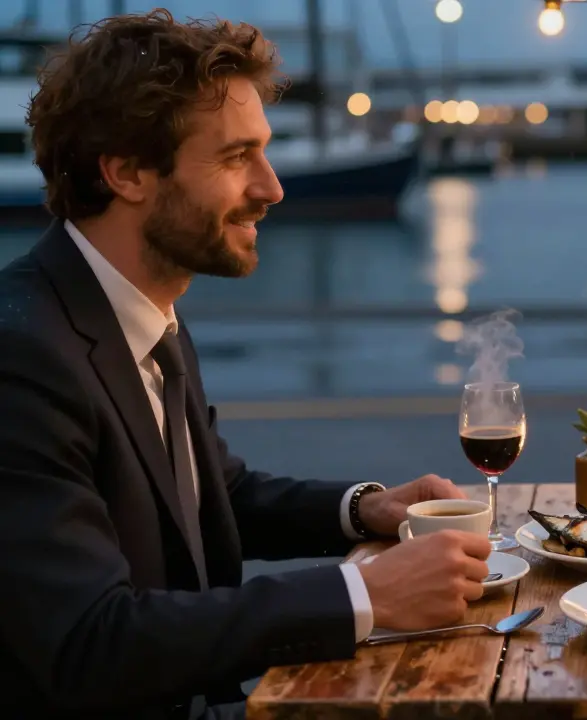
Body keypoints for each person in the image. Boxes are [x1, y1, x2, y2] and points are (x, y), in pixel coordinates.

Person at [0, 10, 492, 719]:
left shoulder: (141, 309)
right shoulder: (22, 355)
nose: (272, 187)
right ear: (128, 172)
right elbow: (89, 641)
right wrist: (365, 595)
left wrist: (363, 510)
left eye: (264, 151)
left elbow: (208, 493)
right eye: (236, 158)